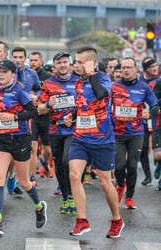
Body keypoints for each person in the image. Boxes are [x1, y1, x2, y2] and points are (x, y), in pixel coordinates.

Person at [65, 46, 124, 238]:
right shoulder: (78, 82)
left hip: (102, 140)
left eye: (80, 62)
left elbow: (101, 95)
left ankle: (117, 219)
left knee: (106, 182)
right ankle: (81, 221)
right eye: (76, 61)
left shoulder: (104, 79)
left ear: (92, 63)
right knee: (74, 175)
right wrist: (72, 116)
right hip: (81, 137)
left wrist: (91, 75)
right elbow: (84, 104)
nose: (76, 65)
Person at [0, 60, 47, 236]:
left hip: (20, 139)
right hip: (2, 139)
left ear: (13, 74)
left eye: (5, 72)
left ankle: (39, 207)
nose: (1, 75)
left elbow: (34, 112)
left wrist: (14, 117)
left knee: (24, 181)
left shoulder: (20, 91)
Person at [112, 57, 159, 209]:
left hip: (136, 133)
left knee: (132, 166)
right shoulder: (114, 86)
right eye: (123, 67)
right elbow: (105, 106)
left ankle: (130, 197)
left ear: (135, 69)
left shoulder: (143, 87)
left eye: (129, 67)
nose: (125, 70)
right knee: (119, 166)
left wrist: (150, 114)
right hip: (117, 134)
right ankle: (120, 185)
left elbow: (156, 106)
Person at [38, 52, 78, 214]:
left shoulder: (78, 81)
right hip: (55, 128)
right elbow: (40, 109)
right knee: (59, 165)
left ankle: (74, 196)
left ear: (70, 64)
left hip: (73, 129)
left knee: (67, 160)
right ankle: (65, 196)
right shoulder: (48, 83)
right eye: (59, 63)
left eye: (65, 62)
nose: (62, 65)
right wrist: (48, 103)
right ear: (54, 65)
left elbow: (86, 104)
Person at [6, 47, 41, 194]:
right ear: (11, 58)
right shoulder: (6, 72)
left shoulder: (31, 74)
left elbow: (38, 89)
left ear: (25, 59)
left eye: (21, 57)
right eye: (15, 57)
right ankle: (11, 175)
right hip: (8, 115)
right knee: (10, 148)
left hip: (25, 116)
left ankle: (23, 179)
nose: (18, 60)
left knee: (28, 146)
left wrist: (36, 96)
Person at [29, 51, 53, 187]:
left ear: (41, 62)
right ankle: (32, 178)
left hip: (46, 116)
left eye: (35, 60)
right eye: (31, 60)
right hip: (32, 117)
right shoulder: (25, 76)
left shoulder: (48, 78)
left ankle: (44, 162)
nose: (33, 63)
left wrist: (40, 98)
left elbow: (52, 95)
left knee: (47, 150)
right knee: (33, 147)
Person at [139, 57, 160, 186]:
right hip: (143, 120)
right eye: (152, 66)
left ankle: (158, 167)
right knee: (144, 148)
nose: (155, 68)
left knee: (157, 155)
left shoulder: (159, 81)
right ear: (146, 68)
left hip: (157, 119)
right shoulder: (139, 82)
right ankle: (148, 176)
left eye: (156, 66)